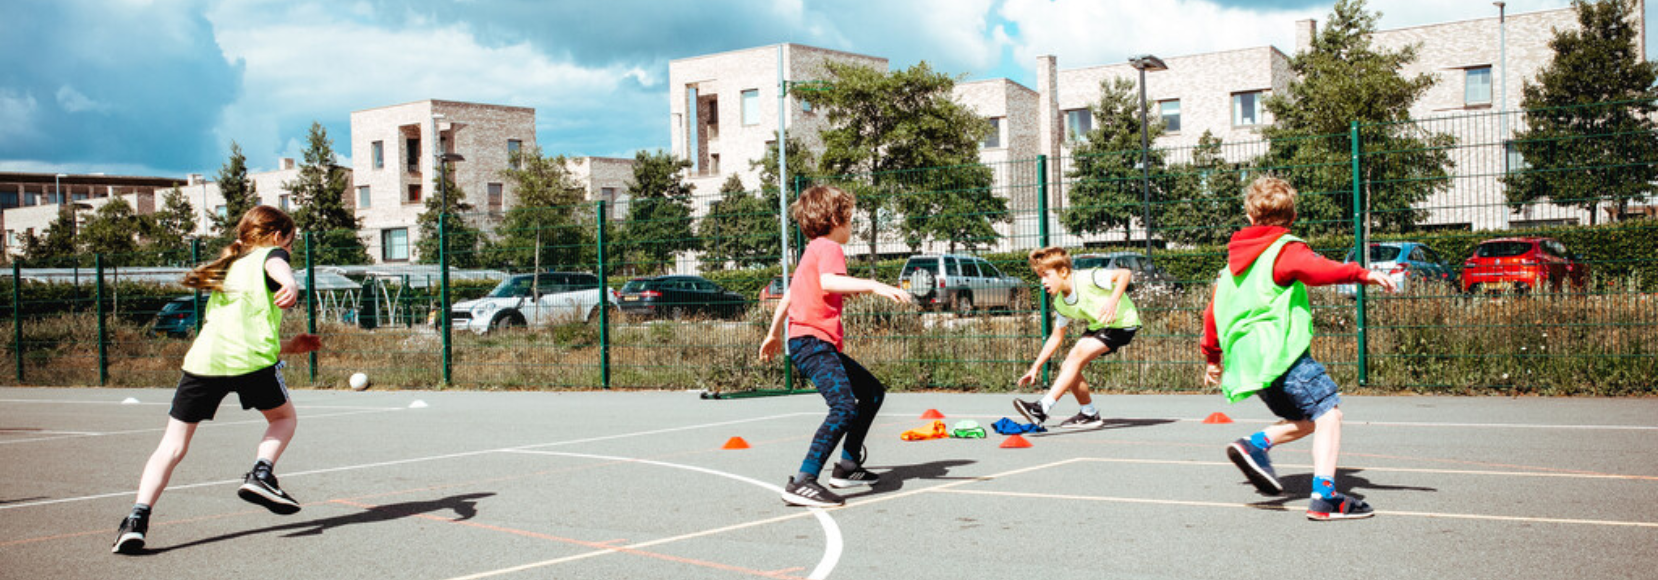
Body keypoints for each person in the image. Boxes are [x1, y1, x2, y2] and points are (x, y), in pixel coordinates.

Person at [113, 205, 319, 553]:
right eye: (291, 242)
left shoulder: (230, 267)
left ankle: (135, 520)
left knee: (172, 446)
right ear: (278, 236)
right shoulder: (271, 255)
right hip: (251, 362)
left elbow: (236, 332)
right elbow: (276, 263)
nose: (290, 249)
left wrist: (291, 345)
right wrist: (290, 282)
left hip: (204, 361)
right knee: (284, 418)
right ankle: (261, 473)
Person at [1201, 176, 1395, 521]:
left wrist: (1212, 358)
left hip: (1251, 364)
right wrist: (1361, 274)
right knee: (1329, 413)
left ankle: (1253, 445)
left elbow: (1212, 313)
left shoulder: (1230, 268)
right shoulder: (1283, 248)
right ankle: (1325, 497)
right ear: (1292, 217)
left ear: (1249, 216)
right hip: (1282, 354)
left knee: (1305, 419)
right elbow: (1316, 269)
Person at [759, 185, 912, 507]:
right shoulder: (827, 248)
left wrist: (773, 334)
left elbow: (788, 298)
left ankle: (847, 465)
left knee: (871, 393)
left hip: (810, 342)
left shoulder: (811, 252)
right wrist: (874, 285)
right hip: (812, 343)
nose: (852, 226)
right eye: (850, 219)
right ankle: (803, 481)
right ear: (835, 218)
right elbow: (829, 282)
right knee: (844, 407)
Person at [1012, 247, 1140, 429]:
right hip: (1100, 325)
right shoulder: (1061, 303)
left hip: (1122, 323)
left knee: (1076, 357)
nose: (1043, 282)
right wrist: (1035, 367)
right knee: (1068, 366)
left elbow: (1124, 274)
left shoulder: (1088, 278)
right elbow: (1056, 337)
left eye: (1046, 275)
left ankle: (1042, 407)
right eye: (1040, 277)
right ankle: (1089, 413)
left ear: (1063, 271)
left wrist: (1112, 302)